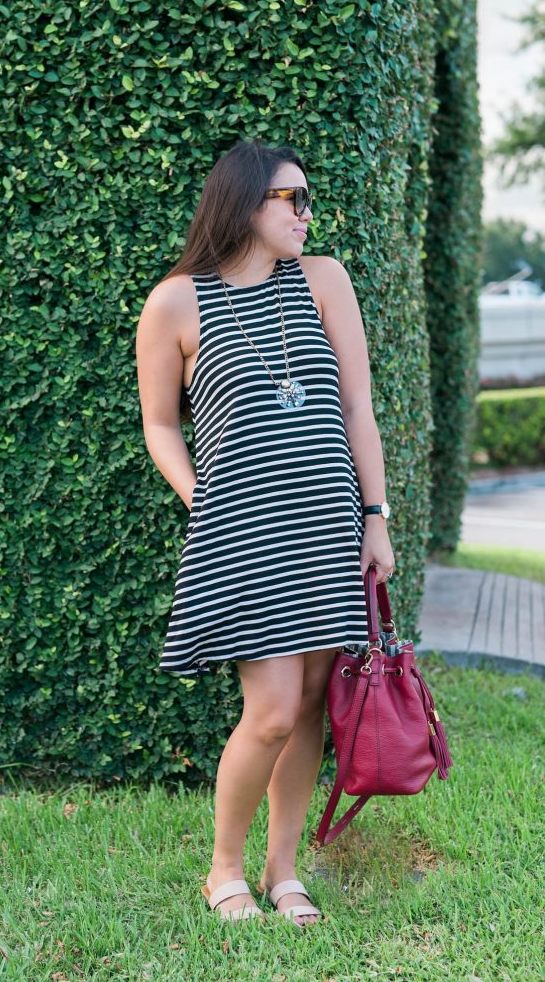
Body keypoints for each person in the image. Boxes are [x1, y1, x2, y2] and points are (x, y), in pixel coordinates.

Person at [135, 138, 395, 926]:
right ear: (245, 201)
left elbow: (357, 409)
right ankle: (223, 870)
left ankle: (282, 873)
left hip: (325, 521)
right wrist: (200, 498)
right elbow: (159, 426)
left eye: (308, 198)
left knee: (313, 699)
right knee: (274, 708)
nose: (308, 214)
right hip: (244, 531)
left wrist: (376, 519)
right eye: (294, 198)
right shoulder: (176, 302)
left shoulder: (325, 280)